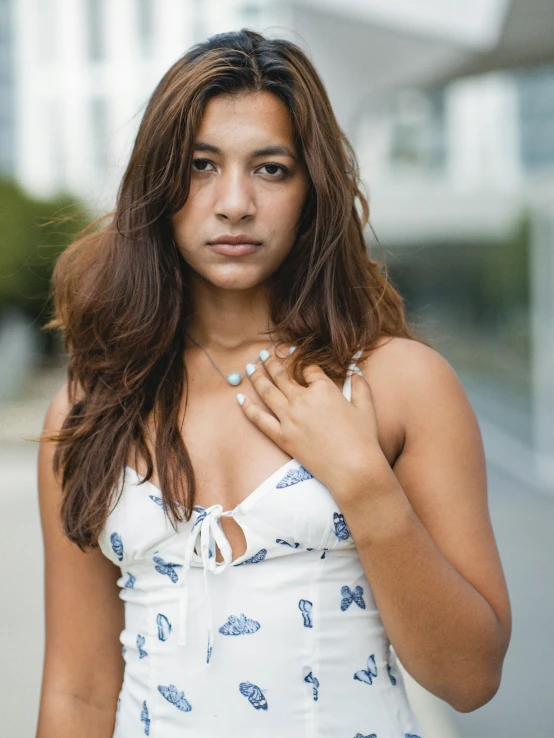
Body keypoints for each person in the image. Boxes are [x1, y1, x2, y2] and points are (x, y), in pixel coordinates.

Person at [35, 28, 511, 738]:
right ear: (157, 185)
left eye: (271, 168)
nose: (233, 203)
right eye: (200, 165)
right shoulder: (91, 407)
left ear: (312, 188)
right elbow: (77, 691)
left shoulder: (399, 384)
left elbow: (470, 680)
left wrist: (363, 485)